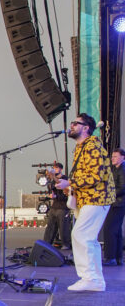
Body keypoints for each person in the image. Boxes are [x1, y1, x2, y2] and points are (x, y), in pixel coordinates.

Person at [55, 114, 115, 291]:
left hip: (97, 197)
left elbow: (96, 176)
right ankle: (96, 280)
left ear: (86, 128)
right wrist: (68, 186)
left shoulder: (93, 146)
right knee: (89, 239)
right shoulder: (81, 148)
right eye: (72, 123)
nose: (72, 126)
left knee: (80, 235)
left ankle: (89, 278)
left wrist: (70, 183)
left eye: (76, 123)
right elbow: (83, 175)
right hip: (87, 198)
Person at [102, 148, 125, 266]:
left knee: (109, 229)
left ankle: (110, 257)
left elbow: (123, 188)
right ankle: (117, 258)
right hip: (117, 203)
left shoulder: (123, 170)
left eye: (115, 156)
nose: (112, 158)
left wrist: (109, 194)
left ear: (123, 157)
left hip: (118, 204)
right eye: (112, 156)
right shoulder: (116, 169)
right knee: (116, 231)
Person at [42, 162, 71, 249]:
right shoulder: (52, 180)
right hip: (54, 206)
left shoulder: (65, 179)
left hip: (63, 207)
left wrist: (56, 196)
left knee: (63, 227)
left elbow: (67, 194)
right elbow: (51, 189)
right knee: (50, 226)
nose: (55, 170)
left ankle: (66, 244)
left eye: (56, 168)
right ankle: (46, 244)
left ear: (61, 169)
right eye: (54, 168)